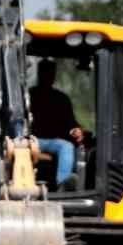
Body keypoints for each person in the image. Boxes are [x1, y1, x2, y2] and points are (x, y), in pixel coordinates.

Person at [29, 59, 84, 187]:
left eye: (51, 72)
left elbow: (70, 123)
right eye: (45, 72)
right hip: (32, 139)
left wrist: (75, 130)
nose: (48, 76)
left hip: (54, 141)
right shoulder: (29, 95)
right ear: (39, 73)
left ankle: (63, 184)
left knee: (67, 146)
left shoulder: (61, 98)